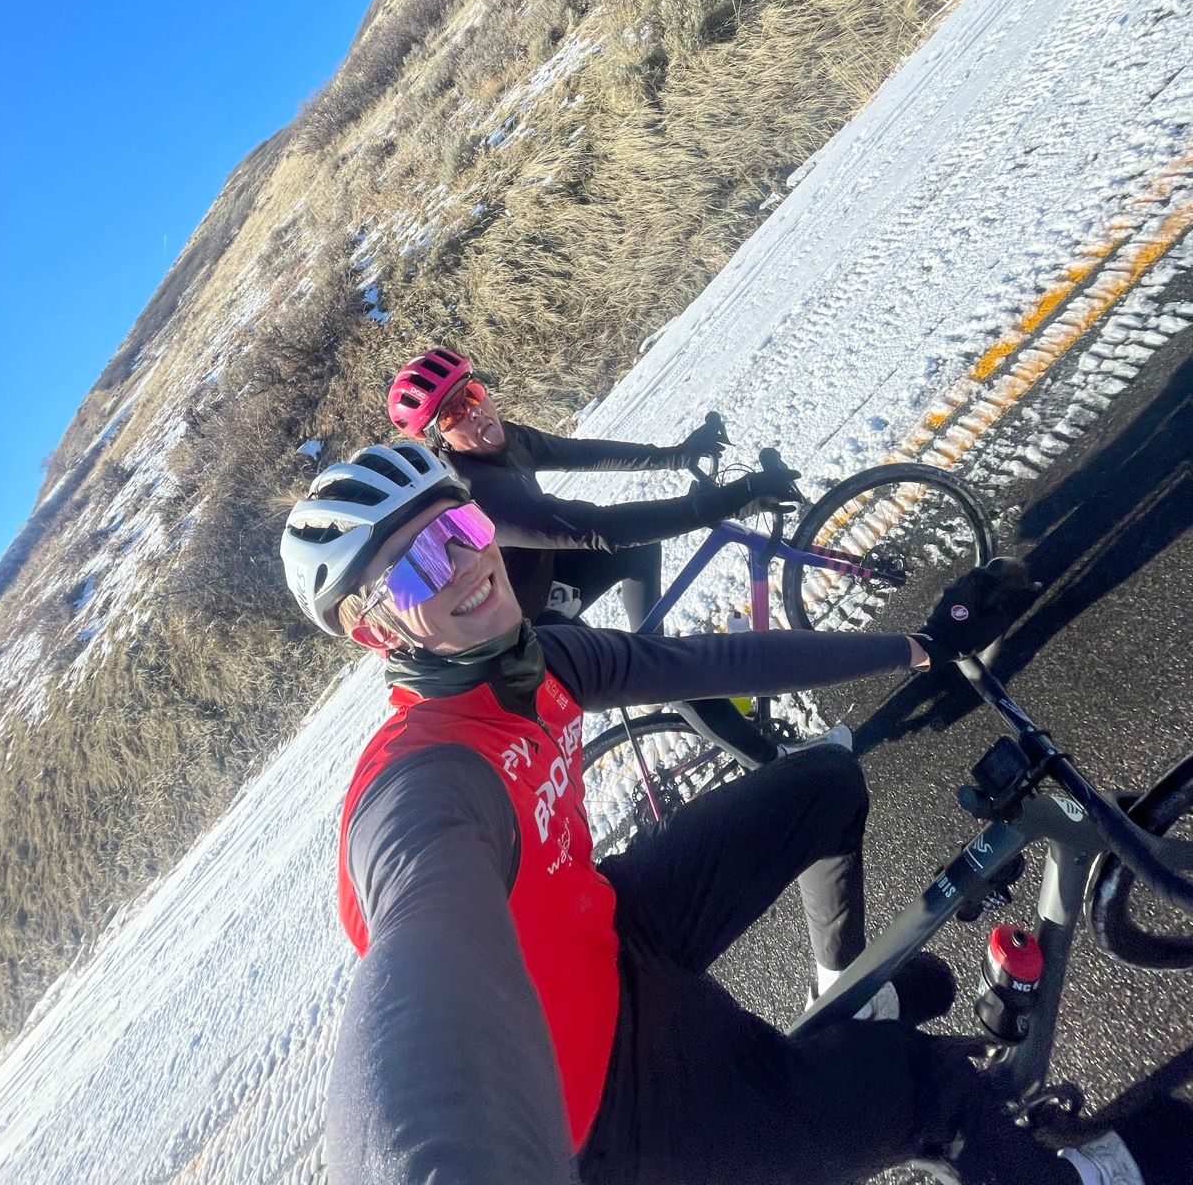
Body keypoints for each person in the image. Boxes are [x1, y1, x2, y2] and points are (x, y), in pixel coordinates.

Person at [280, 443, 1171, 1185]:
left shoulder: (537, 660)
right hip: (601, 1109)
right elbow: (414, 977)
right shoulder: (423, 780)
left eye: (463, 528)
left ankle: (843, 994)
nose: (467, 562)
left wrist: (914, 647)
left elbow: (711, 659)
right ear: (373, 630)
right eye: (418, 566)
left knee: (825, 781)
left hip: (612, 931)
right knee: (925, 1088)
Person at [386, 345, 807, 766]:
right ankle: (776, 761)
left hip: (543, 580)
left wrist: (678, 455)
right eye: (452, 414)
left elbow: (581, 453)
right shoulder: (479, 496)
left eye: (472, 394)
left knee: (642, 557)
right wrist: (729, 501)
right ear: (438, 440)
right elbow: (600, 530)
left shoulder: (504, 440)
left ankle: (654, 664)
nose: (474, 412)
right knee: (665, 669)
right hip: (521, 633)